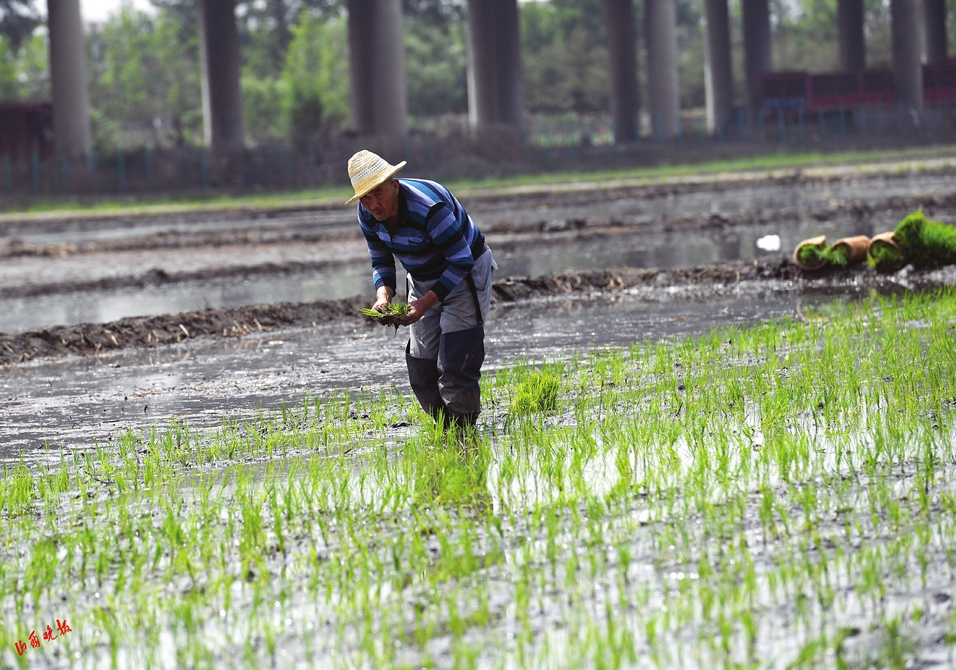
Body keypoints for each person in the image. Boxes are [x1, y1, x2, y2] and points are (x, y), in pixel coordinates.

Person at [346, 150, 496, 429]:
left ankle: (464, 433)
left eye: (378, 193)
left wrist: (425, 303)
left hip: (464, 269)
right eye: (366, 197)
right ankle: (446, 430)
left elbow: (461, 259)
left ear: (394, 185)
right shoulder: (367, 214)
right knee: (421, 365)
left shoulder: (429, 209)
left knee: (456, 361)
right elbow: (380, 258)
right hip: (422, 274)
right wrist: (384, 295)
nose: (374, 204)